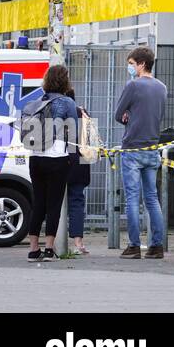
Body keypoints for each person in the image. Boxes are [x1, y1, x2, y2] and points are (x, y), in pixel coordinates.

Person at [114, 46, 167, 259]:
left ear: (142, 64)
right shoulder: (162, 87)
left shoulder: (133, 86)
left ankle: (134, 245)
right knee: (152, 198)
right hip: (152, 147)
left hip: (132, 148)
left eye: (132, 64)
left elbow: (118, 114)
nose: (130, 68)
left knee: (133, 199)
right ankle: (156, 246)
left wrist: (128, 116)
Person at [24, 65, 77, 261]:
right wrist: (74, 158)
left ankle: (32, 248)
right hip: (57, 159)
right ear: (64, 81)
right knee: (54, 203)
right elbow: (72, 133)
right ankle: (48, 249)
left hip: (35, 158)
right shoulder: (67, 103)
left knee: (38, 202)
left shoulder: (36, 102)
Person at [64, 86, 94, 256]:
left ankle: (51, 243)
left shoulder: (54, 112)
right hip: (80, 163)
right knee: (76, 201)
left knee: (54, 203)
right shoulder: (82, 112)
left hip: (59, 161)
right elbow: (89, 140)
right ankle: (78, 243)